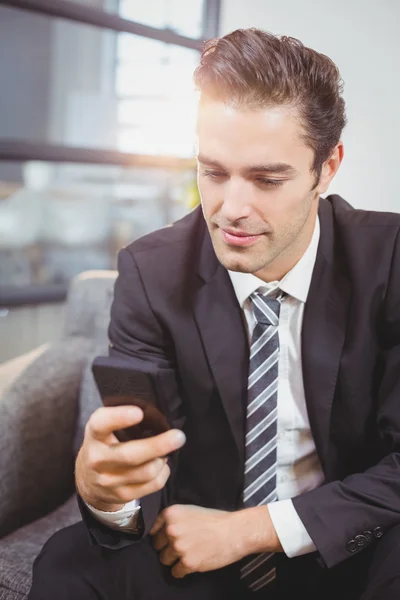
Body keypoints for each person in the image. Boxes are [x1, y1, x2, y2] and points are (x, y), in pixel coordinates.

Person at [28, 28, 400, 600]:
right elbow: (142, 463)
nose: (230, 209)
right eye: (213, 171)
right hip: (199, 544)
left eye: (266, 179)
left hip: (348, 540)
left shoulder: (391, 259)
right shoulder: (151, 272)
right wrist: (108, 493)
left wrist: (254, 530)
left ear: (327, 169)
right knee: (65, 562)